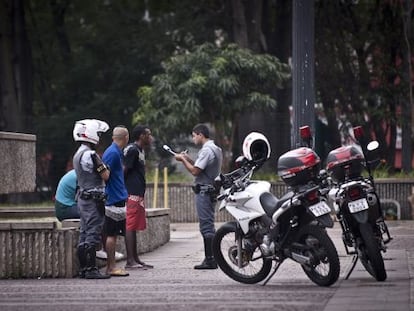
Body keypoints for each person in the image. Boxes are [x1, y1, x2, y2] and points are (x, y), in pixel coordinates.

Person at [174, 123, 223, 269]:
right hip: (210, 190)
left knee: (206, 227)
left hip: (204, 191)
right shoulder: (216, 148)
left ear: (200, 135)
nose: (193, 139)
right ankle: (213, 258)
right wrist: (188, 159)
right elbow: (201, 168)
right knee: (209, 225)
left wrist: (182, 160)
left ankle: (210, 260)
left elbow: (195, 172)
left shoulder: (206, 150)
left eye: (194, 136)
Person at [72, 119, 111, 279]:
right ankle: (91, 269)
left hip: (82, 198)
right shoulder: (92, 155)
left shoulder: (78, 154)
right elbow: (106, 175)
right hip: (93, 200)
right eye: (99, 134)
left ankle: (83, 269)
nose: (100, 138)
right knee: (93, 232)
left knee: (85, 232)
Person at [123, 125, 154, 269]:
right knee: (130, 225)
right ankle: (130, 261)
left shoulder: (140, 150)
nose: (151, 137)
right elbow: (124, 170)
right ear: (141, 136)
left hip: (138, 192)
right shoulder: (132, 150)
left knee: (134, 225)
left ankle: (135, 258)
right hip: (132, 193)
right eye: (148, 134)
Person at [102, 125, 130, 277]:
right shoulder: (112, 153)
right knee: (111, 235)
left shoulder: (115, 152)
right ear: (126, 138)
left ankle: (112, 266)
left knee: (115, 234)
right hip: (113, 199)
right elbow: (105, 175)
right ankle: (111, 267)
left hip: (118, 198)